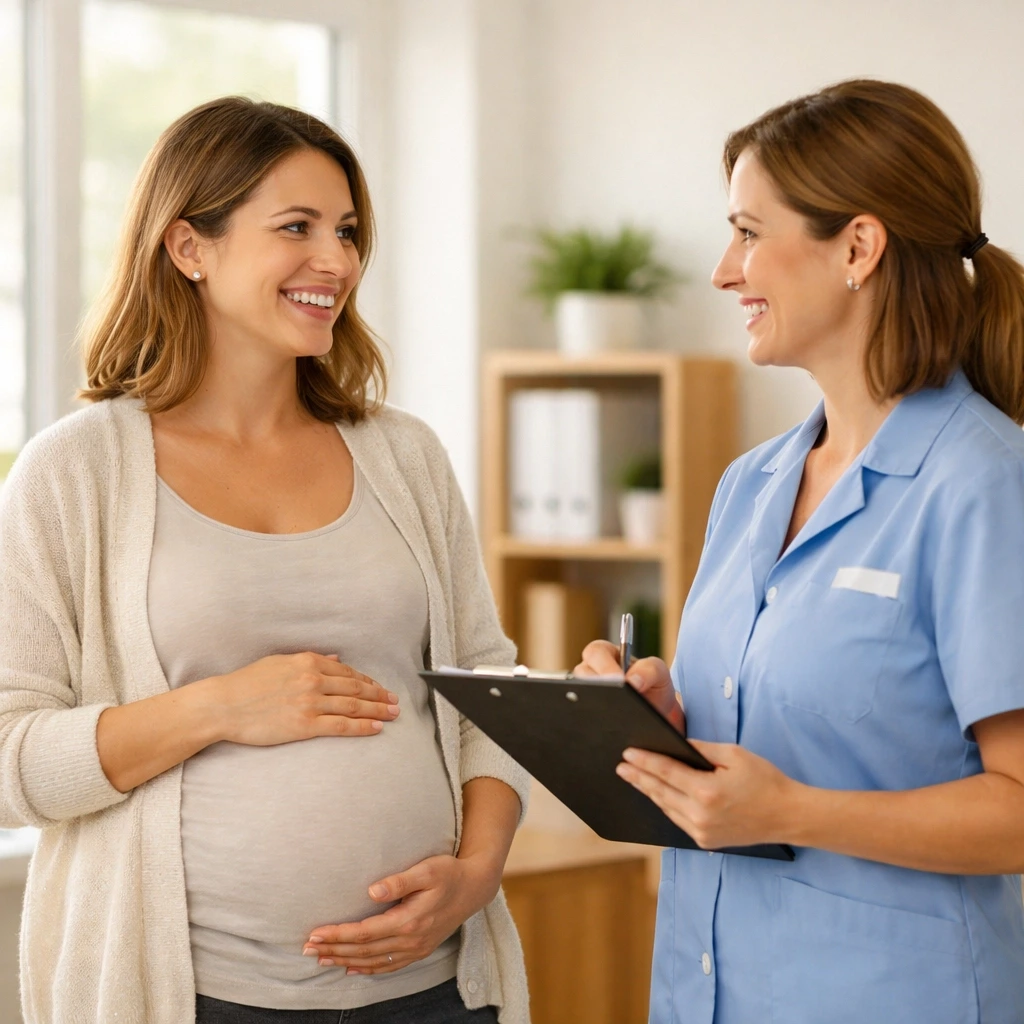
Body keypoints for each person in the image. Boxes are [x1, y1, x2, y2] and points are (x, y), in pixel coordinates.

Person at [0, 97, 530, 1024]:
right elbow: (8, 762)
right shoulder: (76, 470)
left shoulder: (403, 455)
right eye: (297, 227)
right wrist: (219, 707)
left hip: (434, 987)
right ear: (188, 248)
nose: (338, 261)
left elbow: (483, 684)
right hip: (190, 996)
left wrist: (478, 872)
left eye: (348, 231)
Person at [578, 79, 1024, 1023]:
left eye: (747, 232)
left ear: (858, 248)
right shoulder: (750, 486)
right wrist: (665, 724)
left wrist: (795, 812)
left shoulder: (984, 483)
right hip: (708, 991)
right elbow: (791, 729)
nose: (722, 271)